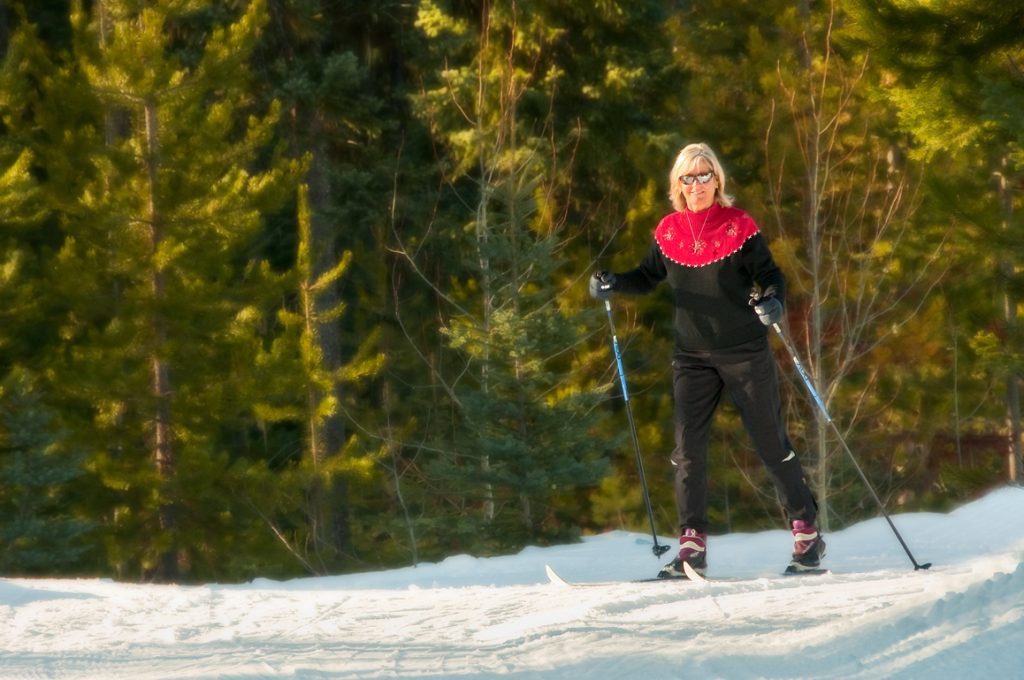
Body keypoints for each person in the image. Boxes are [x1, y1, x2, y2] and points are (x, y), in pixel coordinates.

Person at [589, 142, 825, 578]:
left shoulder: (738, 226)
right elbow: (647, 277)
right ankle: (691, 544)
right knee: (688, 452)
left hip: (744, 351)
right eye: (687, 178)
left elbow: (770, 275)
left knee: (771, 443)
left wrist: (773, 301)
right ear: (676, 185)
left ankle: (806, 531)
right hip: (691, 355)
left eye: (704, 176)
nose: (696, 185)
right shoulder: (669, 231)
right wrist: (611, 283)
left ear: (717, 180)